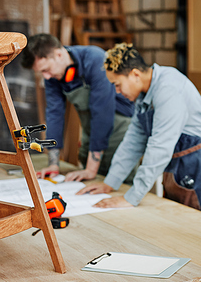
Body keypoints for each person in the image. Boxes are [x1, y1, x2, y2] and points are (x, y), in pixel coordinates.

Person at [77, 43, 201, 222]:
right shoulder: (144, 97)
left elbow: (159, 147)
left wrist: (131, 197)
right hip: (180, 172)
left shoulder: (168, 88)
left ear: (135, 74)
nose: (117, 92)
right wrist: (110, 183)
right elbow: (132, 142)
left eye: (118, 84)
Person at [22, 34, 134, 182]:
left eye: (46, 69)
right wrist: (53, 165)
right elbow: (54, 114)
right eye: (41, 72)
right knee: (91, 184)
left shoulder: (95, 60)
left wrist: (90, 169)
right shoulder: (53, 76)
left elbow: (102, 114)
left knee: (119, 180)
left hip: (118, 127)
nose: (46, 77)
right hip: (92, 130)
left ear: (59, 54)